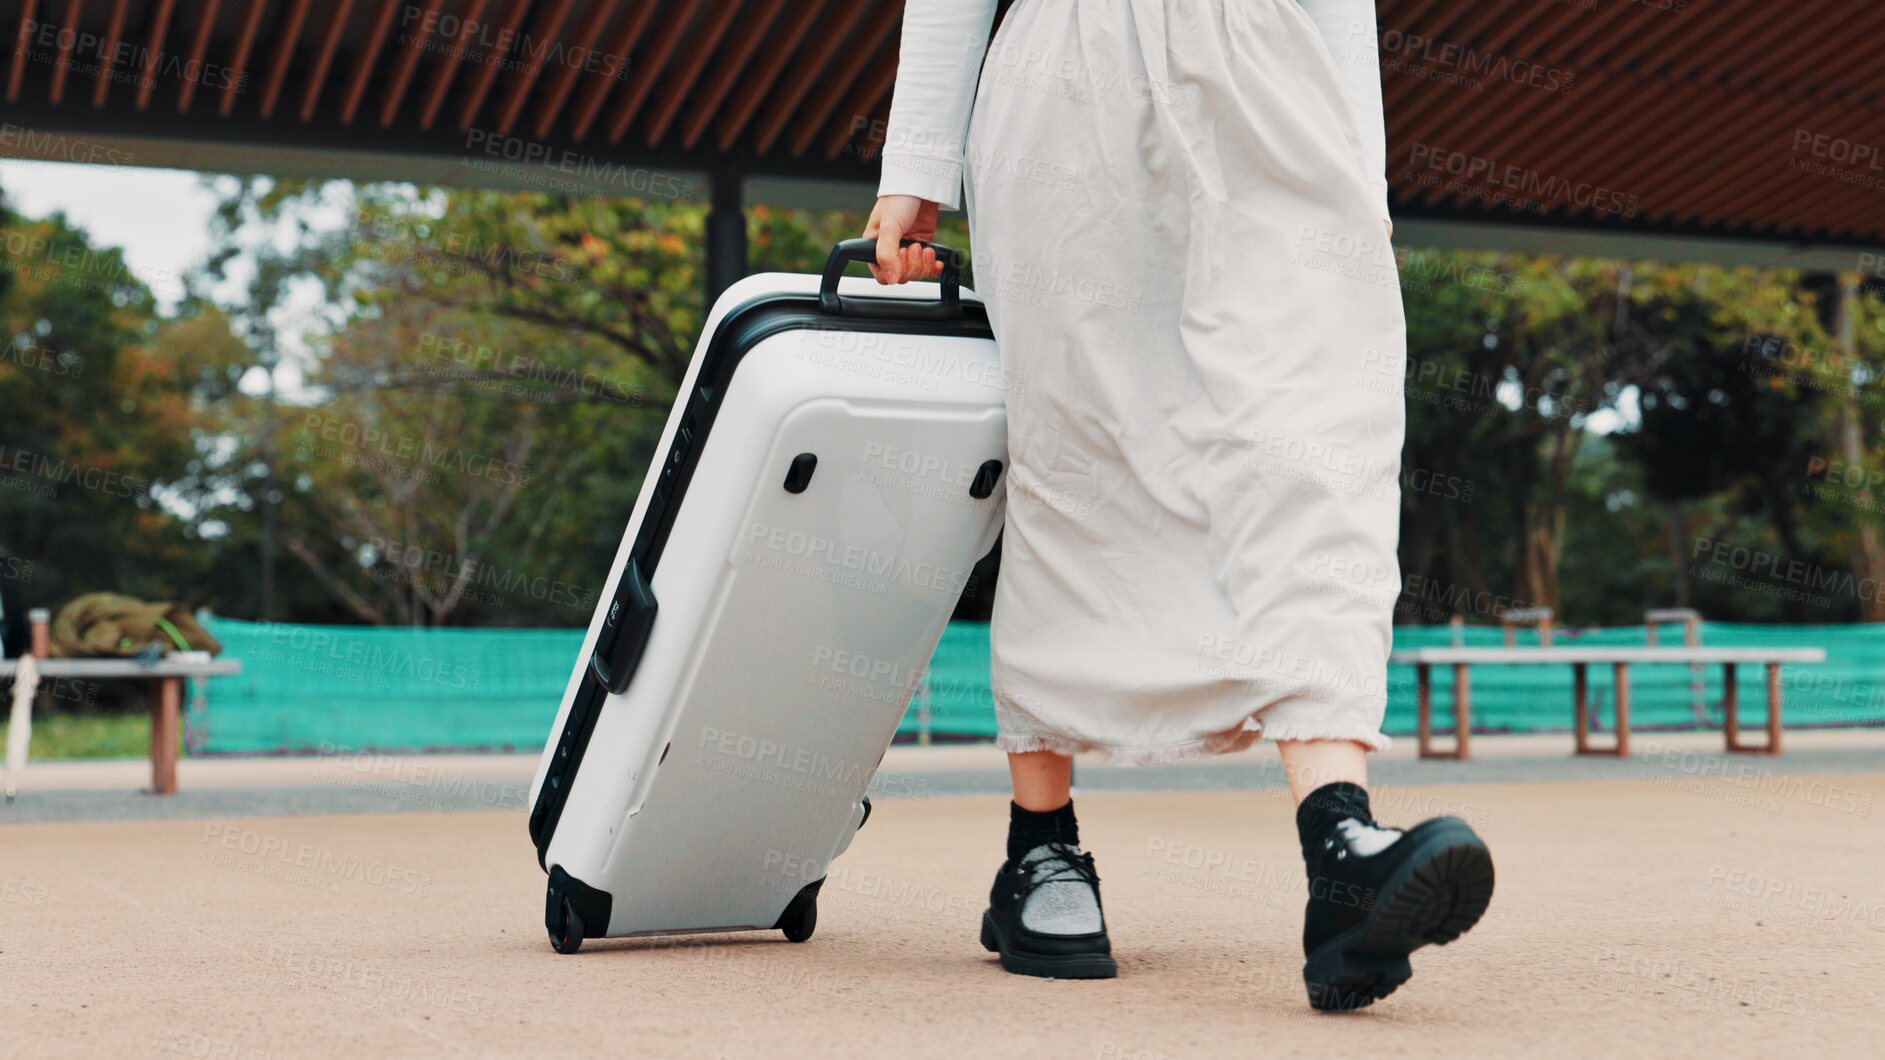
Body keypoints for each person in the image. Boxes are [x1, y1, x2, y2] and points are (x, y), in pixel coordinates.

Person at [863, 0, 1493, 1009]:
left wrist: (1361, 167)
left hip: (1279, 72)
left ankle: (1341, 840)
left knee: (1317, 436)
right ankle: (1042, 846)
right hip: (1070, 73)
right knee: (1075, 445)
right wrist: (915, 170)